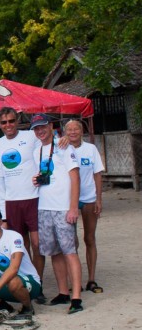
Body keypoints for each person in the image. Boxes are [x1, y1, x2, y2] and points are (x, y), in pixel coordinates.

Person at [31, 114, 84, 313]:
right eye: (36, 128)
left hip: (63, 207)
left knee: (70, 251)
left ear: (50, 126)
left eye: (43, 127)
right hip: (44, 207)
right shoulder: (37, 150)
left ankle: (76, 297)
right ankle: (63, 292)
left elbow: (75, 177)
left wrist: (73, 208)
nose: (40, 131)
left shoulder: (64, 147)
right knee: (54, 252)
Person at [0, 107, 44, 288]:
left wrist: (66, 138)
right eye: (4, 122)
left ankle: (39, 282)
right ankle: (26, 281)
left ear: (18, 121)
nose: (8, 125)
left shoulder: (31, 136)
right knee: (21, 245)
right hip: (11, 201)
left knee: (38, 244)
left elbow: (50, 142)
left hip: (33, 197)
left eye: (11, 121)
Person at [65, 119, 105, 293]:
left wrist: (98, 199)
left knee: (89, 238)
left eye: (76, 129)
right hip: (68, 199)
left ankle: (91, 279)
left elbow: (97, 174)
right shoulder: (62, 148)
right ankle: (75, 281)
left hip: (88, 197)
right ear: (65, 132)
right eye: (69, 129)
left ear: (81, 131)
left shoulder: (90, 149)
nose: (73, 132)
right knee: (70, 242)